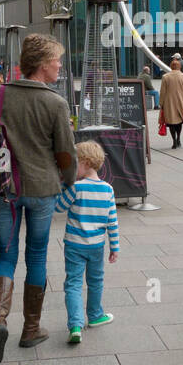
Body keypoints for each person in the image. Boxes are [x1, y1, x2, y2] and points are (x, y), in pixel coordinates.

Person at [0, 34, 77, 365]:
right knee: (37, 256)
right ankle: (30, 329)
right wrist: (70, 181)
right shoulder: (55, 103)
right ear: (41, 64)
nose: (59, 66)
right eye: (56, 60)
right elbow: (65, 153)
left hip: (3, 190)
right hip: (42, 190)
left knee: (5, 255)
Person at [55, 141, 119, 344]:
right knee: (96, 281)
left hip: (74, 245)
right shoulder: (108, 190)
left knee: (73, 283)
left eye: (76, 163)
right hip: (97, 246)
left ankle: (75, 325)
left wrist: (64, 185)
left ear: (85, 162)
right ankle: (95, 315)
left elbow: (58, 207)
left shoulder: (76, 187)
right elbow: (112, 222)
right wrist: (114, 248)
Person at [160, 57, 183, 149]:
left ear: (171, 66)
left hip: (169, 102)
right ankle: (178, 138)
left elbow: (162, 92)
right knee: (179, 122)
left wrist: (161, 103)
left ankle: (174, 140)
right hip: (181, 102)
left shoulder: (165, 77)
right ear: (179, 67)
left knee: (171, 122)